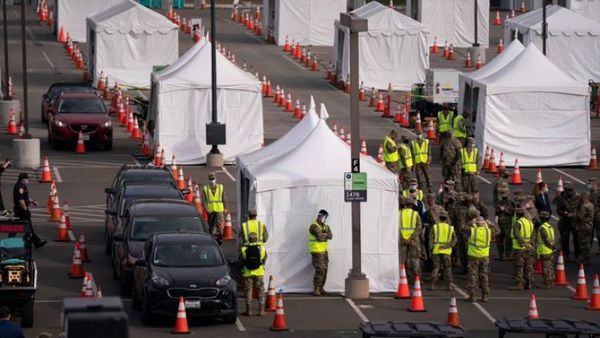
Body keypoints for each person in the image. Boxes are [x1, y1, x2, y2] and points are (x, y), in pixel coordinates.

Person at [463, 216, 498, 302]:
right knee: (484, 276)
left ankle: (472, 296)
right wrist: (491, 224)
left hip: (474, 256)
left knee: (472, 276)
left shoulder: (473, 231)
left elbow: (463, 228)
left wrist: (471, 222)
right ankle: (484, 296)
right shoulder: (488, 231)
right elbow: (497, 231)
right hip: (484, 256)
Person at [13, 173, 45, 248]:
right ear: (22, 179)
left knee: (23, 227)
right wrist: (25, 209)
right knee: (27, 227)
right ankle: (35, 242)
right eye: (26, 179)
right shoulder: (19, 187)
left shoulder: (23, 186)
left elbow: (26, 196)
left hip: (21, 210)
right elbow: (21, 200)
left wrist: (33, 202)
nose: (27, 180)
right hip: (21, 211)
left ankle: (35, 242)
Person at [240, 232, 267, 316]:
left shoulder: (244, 249)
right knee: (260, 290)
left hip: (247, 273)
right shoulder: (261, 248)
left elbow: (241, 260)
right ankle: (261, 311)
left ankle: (248, 310)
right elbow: (264, 258)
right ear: (256, 239)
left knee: (248, 291)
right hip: (259, 272)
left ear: (248, 239)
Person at [428, 211, 456, 291]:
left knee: (436, 268)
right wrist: (448, 246)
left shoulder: (435, 227)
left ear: (439, 218)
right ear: (446, 219)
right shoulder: (450, 228)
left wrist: (431, 249)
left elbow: (431, 239)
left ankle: (432, 284)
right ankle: (449, 285)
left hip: (436, 250)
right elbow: (454, 239)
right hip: (446, 251)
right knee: (447, 268)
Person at [509, 208, 535, 290]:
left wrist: (522, 243)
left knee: (519, 266)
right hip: (529, 248)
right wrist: (530, 243)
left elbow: (516, 235)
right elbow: (533, 235)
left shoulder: (518, 223)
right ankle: (528, 283)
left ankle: (519, 283)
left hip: (519, 248)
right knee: (528, 265)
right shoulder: (530, 222)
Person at [309, 210, 332, 296]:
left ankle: (321, 288)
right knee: (320, 269)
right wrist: (325, 235)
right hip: (317, 251)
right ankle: (316, 289)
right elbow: (320, 238)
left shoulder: (326, 226)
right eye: (323, 217)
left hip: (324, 251)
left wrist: (324, 234)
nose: (324, 219)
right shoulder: (314, 226)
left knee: (325, 269)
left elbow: (331, 236)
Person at [398, 197, 422, 283]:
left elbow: (396, 226)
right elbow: (419, 227)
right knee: (415, 259)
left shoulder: (399, 213)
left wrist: (403, 237)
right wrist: (411, 237)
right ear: (412, 205)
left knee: (401, 259)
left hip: (401, 239)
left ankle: (401, 277)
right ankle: (416, 278)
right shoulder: (415, 214)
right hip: (413, 240)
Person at [556, 182, 580, 261]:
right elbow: (558, 210)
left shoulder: (577, 197)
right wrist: (565, 213)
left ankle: (577, 255)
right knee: (565, 239)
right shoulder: (561, 198)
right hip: (565, 222)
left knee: (576, 239)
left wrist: (575, 214)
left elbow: (581, 208)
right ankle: (566, 254)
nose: (569, 193)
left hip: (575, 221)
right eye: (568, 191)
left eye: (570, 191)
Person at [202, 173, 227, 239]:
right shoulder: (206, 188)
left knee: (219, 223)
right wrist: (206, 208)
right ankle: (211, 235)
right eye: (211, 179)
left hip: (219, 209)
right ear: (208, 180)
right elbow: (204, 200)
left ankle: (220, 235)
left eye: (213, 179)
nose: (212, 180)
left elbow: (223, 198)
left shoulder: (220, 187)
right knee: (211, 223)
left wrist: (225, 207)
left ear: (216, 179)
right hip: (210, 210)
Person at [536, 211, 556, 289]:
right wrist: (553, 247)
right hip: (551, 250)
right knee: (550, 266)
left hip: (545, 250)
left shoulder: (542, 228)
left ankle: (547, 282)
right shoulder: (550, 226)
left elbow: (545, 239)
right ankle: (551, 281)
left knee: (546, 267)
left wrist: (549, 246)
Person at [495, 188, 514, 261]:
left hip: (508, 224)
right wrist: (496, 222)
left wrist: (504, 210)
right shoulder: (499, 203)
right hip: (500, 223)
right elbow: (496, 212)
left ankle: (508, 254)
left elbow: (512, 212)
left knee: (508, 240)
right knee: (499, 240)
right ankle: (500, 255)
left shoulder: (510, 203)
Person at [576, 192, 594, 266]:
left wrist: (576, 214)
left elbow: (581, 216)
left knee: (584, 243)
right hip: (589, 225)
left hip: (584, 226)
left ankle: (586, 258)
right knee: (588, 241)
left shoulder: (584, 206)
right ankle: (587, 257)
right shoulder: (591, 205)